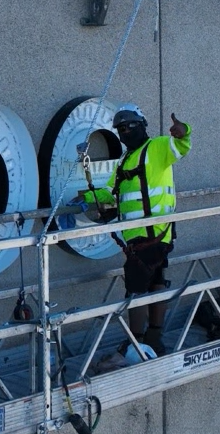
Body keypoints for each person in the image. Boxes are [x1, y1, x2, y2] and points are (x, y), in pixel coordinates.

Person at [80, 106, 191, 356]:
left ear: (142, 125)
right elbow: (111, 192)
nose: (126, 131)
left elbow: (182, 145)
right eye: (121, 129)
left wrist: (183, 131)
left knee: (136, 287)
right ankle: (153, 338)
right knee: (155, 281)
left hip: (152, 233)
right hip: (140, 235)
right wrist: (86, 197)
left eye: (130, 126)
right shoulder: (125, 160)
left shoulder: (159, 147)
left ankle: (137, 342)